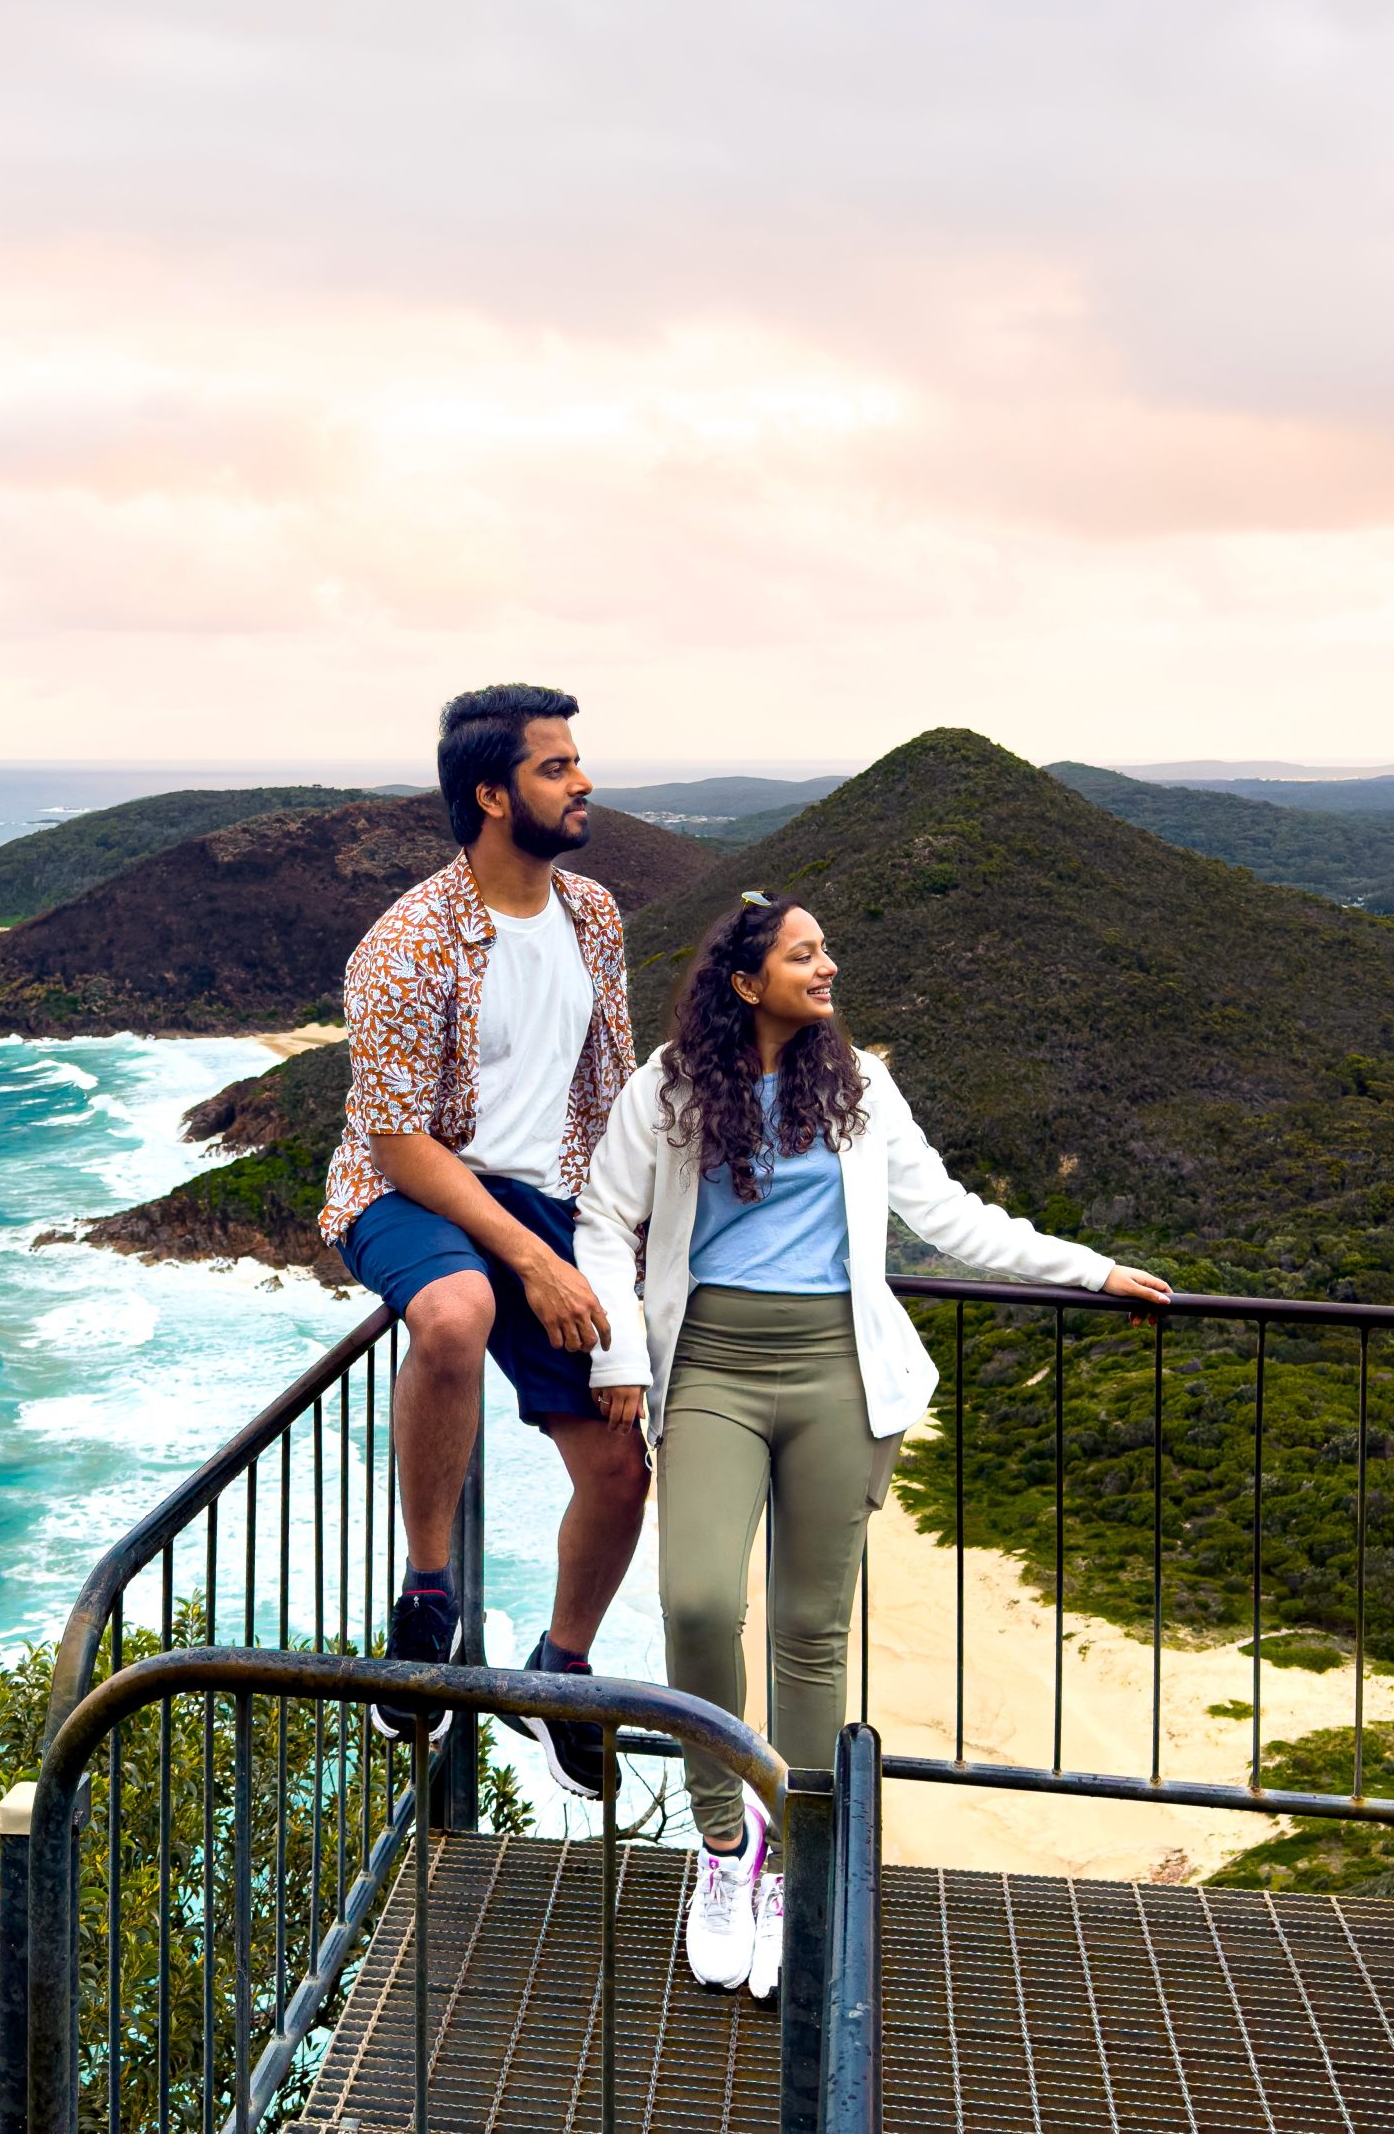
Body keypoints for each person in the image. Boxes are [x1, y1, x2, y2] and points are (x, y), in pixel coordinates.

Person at [574, 892, 1172, 2000]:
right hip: (707, 1363)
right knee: (698, 1601)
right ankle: (720, 1849)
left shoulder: (857, 1085)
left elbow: (947, 1217)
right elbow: (605, 1223)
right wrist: (619, 1355)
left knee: (809, 1629)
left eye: (826, 951)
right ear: (745, 980)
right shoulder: (665, 1085)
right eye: (805, 955)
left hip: (835, 1374)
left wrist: (1085, 1269)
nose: (828, 966)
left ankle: (794, 1861)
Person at [320, 685, 653, 1796]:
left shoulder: (593, 914)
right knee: (453, 1308)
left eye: (573, 760)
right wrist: (531, 1259)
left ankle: (558, 1672)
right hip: (413, 1189)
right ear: (491, 794)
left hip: (554, 1198)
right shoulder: (407, 941)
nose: (581, 780)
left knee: (618, 1462)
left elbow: (610, 1094)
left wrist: (610, 1256)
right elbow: (401, 1142)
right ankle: (427, 1603)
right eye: (555, 766)